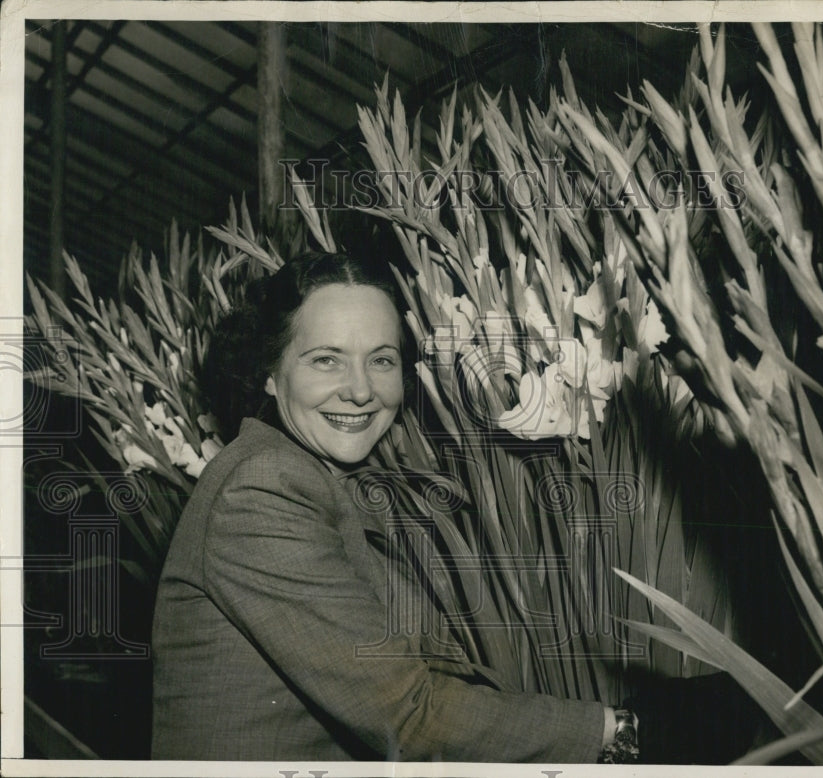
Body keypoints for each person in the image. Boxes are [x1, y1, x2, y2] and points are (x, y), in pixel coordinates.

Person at [150, 250, 759, 762]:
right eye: (325, 360)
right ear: (269, 373)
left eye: (381, 360)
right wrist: (626, 730)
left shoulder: (322, 478)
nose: (360, 390)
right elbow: (409, 716)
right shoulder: (262, 490)